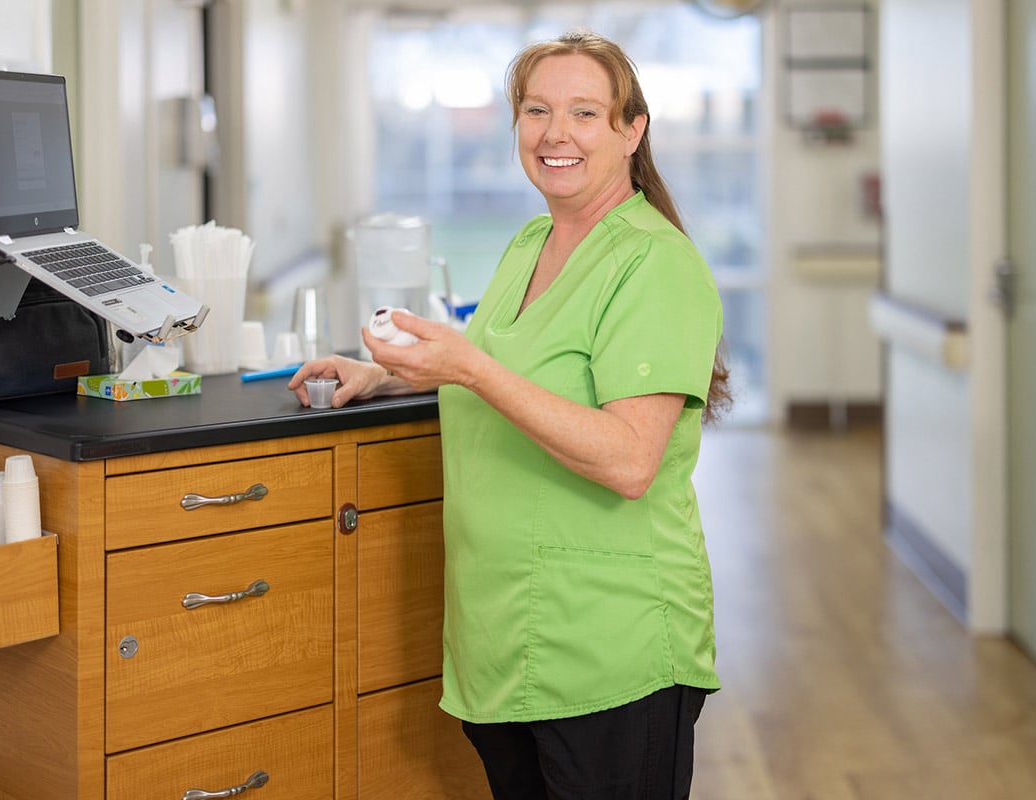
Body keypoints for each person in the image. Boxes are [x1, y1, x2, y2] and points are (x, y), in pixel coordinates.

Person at [289, 30, 731, 800]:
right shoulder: (533, 241)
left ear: (632, 131)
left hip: (608, 650)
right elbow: (513, 380)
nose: (556, 134)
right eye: (536, 110)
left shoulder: (654, 264)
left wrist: (466, 363)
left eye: (585, 113)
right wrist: (387, 376)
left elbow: (630, 459)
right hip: (509, 642)